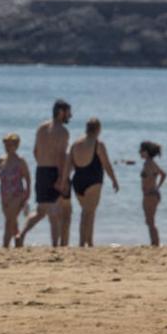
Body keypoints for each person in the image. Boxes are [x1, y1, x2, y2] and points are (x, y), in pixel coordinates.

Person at [17, 99, 72, 247]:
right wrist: (61, 178)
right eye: (68, 112)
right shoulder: (63, 132)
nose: (70, 116)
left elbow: (35, 151)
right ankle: (55, 246)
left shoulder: (41, 128)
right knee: (55, 212)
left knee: (41, 211)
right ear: (61, 112)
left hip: (41, 170)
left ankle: (21, 234)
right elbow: (61, 156)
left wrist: (43, 164)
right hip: (54, 171)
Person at [65, 119, 119, 248]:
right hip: (93, 180)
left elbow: (69, 166)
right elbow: (106, 164)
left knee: (86, 212)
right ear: (98, 129)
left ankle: (88, 241)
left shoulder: (75, 144)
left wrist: (63, 181)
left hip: (77, 181)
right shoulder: (98, 144)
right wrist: (114, 180)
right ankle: (83, 243)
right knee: (88, 213)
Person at [0, 133, 31, 248]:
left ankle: (5, 246)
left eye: (9, 145)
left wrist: (27, 195)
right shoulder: (1, 161)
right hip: (4, 196)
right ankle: (18, 241)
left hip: (17, 195)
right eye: (5, 145)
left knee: (9, 221)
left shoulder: (20, 161)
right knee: (12, 222)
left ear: (16, 146)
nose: (7, 147)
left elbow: (28, 179)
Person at [139, 141, 165, 247]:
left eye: (141, 150)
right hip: (148, 194)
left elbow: (163, 174)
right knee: (149, 221)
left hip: (151, 194)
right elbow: (162, 174)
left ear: (147, 152)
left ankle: (156, 243)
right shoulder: (148, 163)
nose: (139, 152)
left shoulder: (150, 163)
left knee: (150, 221)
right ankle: (154, 242)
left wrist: (157, 187)